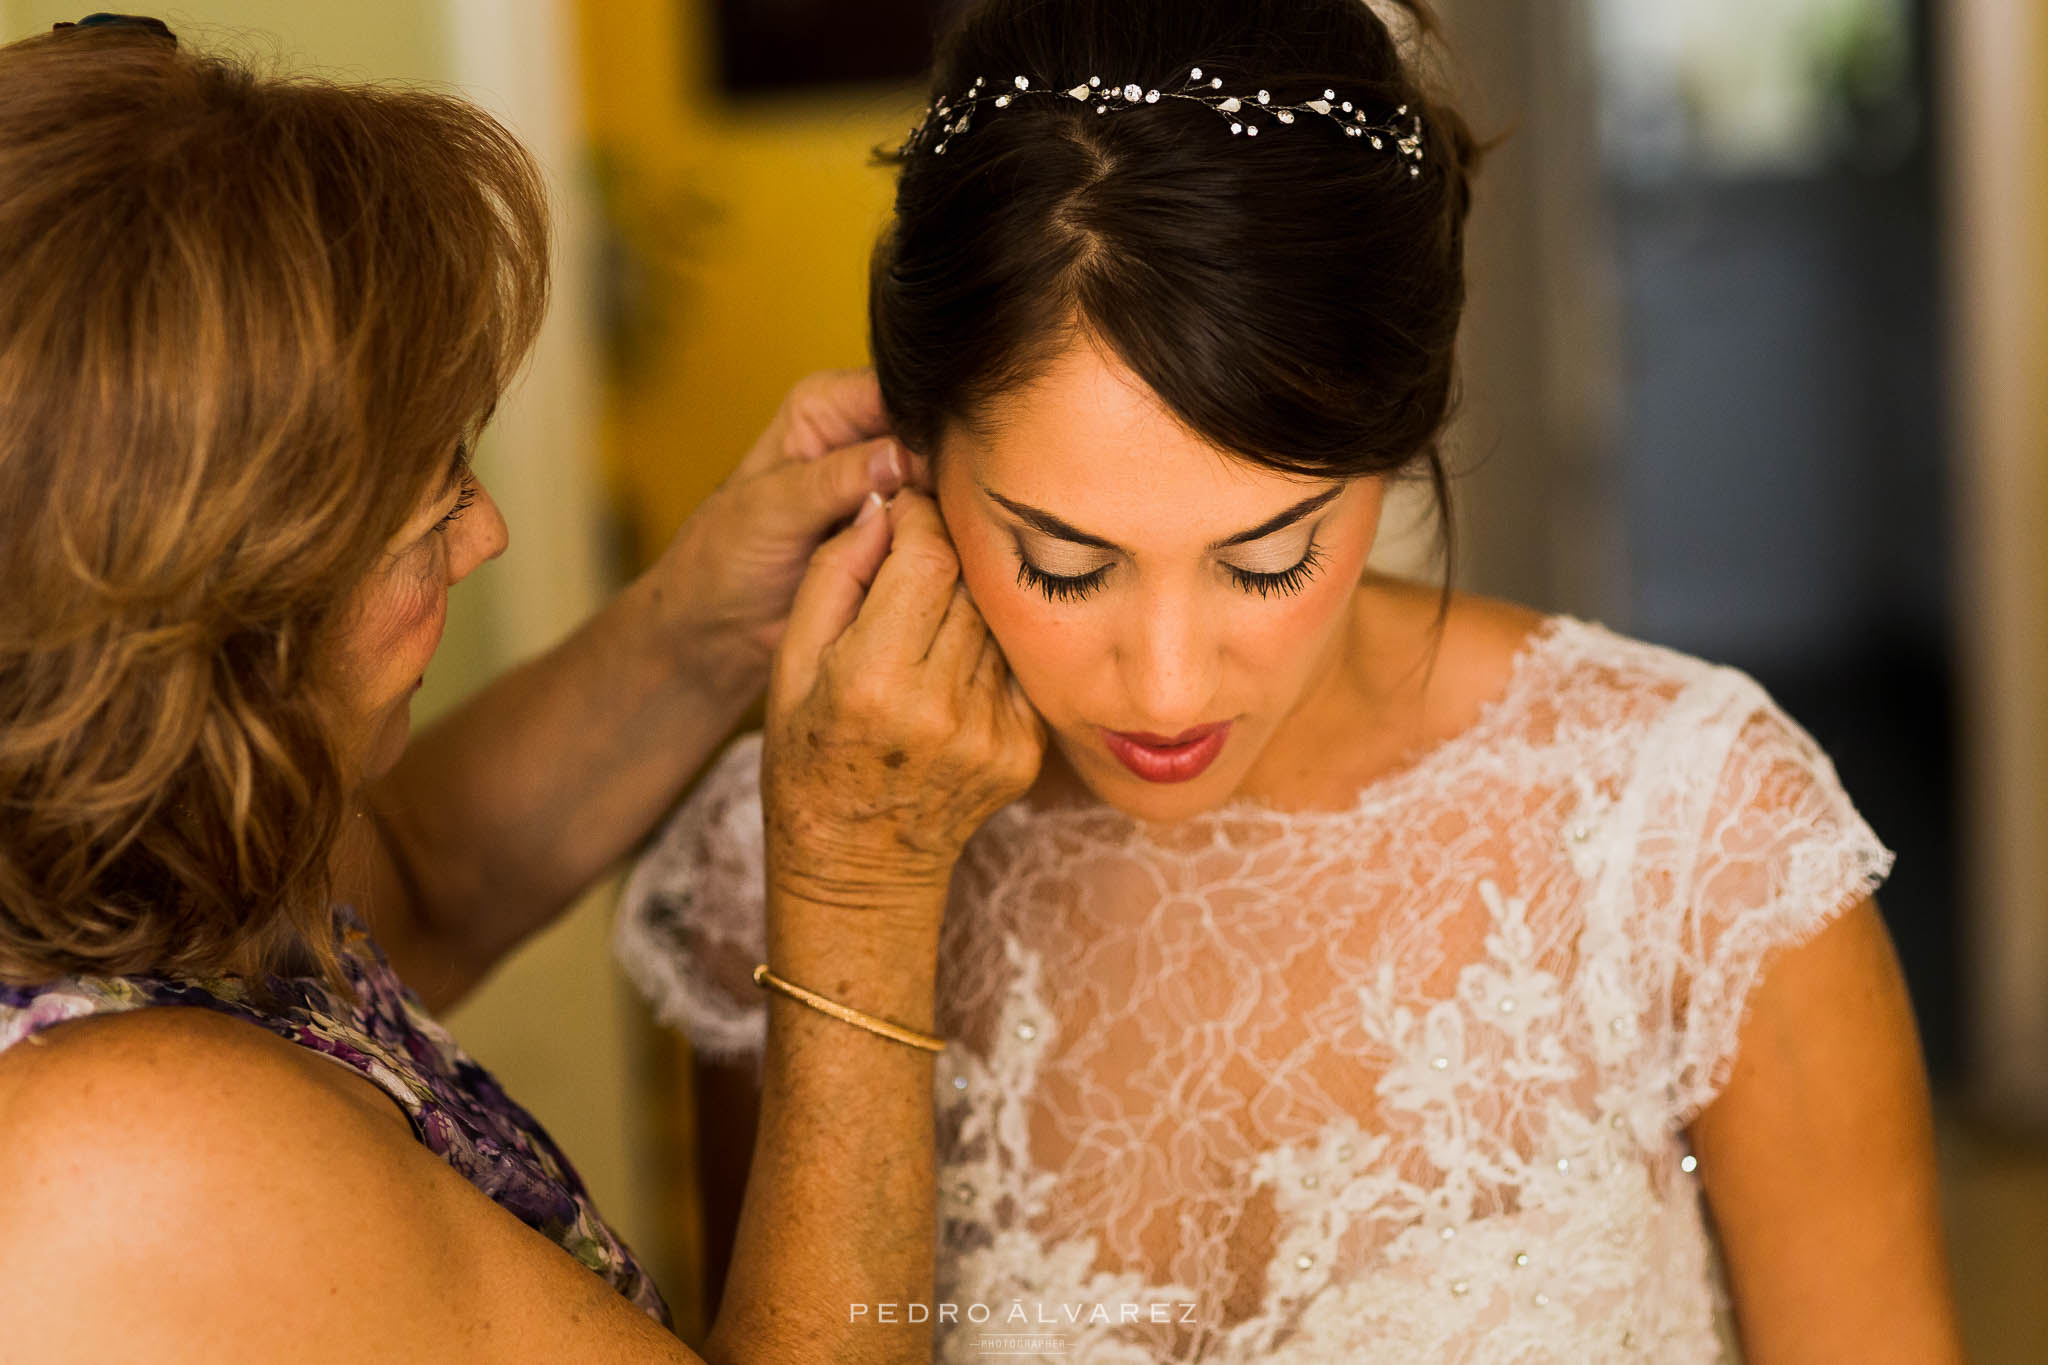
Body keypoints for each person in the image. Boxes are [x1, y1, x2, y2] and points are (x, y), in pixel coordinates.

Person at [617, 0, 1969, 1359]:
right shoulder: (785, 856)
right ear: (908, 449)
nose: (1162, 682)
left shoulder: (1700, 846)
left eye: (1265, 561)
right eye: (1063, 563)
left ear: (1396, 441)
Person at [0, 17, 1039, 1364]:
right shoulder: (133, 1157)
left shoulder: (99, 858)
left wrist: (699, 619)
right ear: (220, 610)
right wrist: (858, 877)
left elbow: (422, 877)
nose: (485, 533)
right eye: (430, 509)